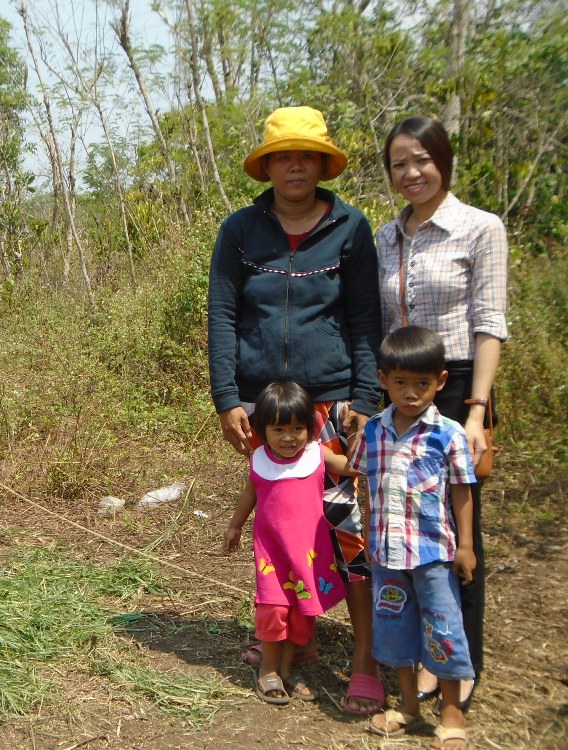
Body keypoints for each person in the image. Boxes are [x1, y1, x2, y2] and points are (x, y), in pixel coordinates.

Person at [208, 105, 384, 714]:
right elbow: (224, 316)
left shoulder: (350, 228)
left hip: (332, 406)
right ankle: (286, 636)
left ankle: (365, 658)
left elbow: (365, 317)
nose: (296, 165)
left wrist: (365, 397)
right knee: (280, 528)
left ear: (322, 163)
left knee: (344, 533)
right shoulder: (240, 230)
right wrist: (229, 399)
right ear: (268, 165)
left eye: (307, 155)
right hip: (268, 410)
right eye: (284, 155)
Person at [376, 115, 509, 713]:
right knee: (406, 532)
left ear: (444, 161)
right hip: (399, 386)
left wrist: (477, 411)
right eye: (399, 163)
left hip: (453, 390)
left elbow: (489, 323)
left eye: (422, 159)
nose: (411, 172)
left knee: (457, 532)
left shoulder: (480, 228)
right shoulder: (386, 237)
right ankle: (423, 658)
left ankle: (461, 666)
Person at [348, 326, 477, 750]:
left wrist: (466, 546)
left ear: (440, 381)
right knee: (394, 627)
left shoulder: (449, 434)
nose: (411, 393)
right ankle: (407, 706)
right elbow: (362, 479)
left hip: (434, 554)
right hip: (387, 554)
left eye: (422, 383)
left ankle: (452, 713)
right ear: (383, 380)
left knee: (443, 627)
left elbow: (461, 490)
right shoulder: (373, 432)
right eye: (400, 383)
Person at [223, 381, 348, 705]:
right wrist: (235, 526)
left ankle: (287, 669)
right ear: (263, 430)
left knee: (300, 614)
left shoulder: (318, 455)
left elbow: (351, 467)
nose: (289, 437)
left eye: (298, 428)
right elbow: (249, 494)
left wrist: (379, 453)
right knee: (273, 610)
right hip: (272, 555)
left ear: (310, 428)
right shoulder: (260, 461)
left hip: (309, 555)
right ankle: (268, 669)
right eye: (279, 429)